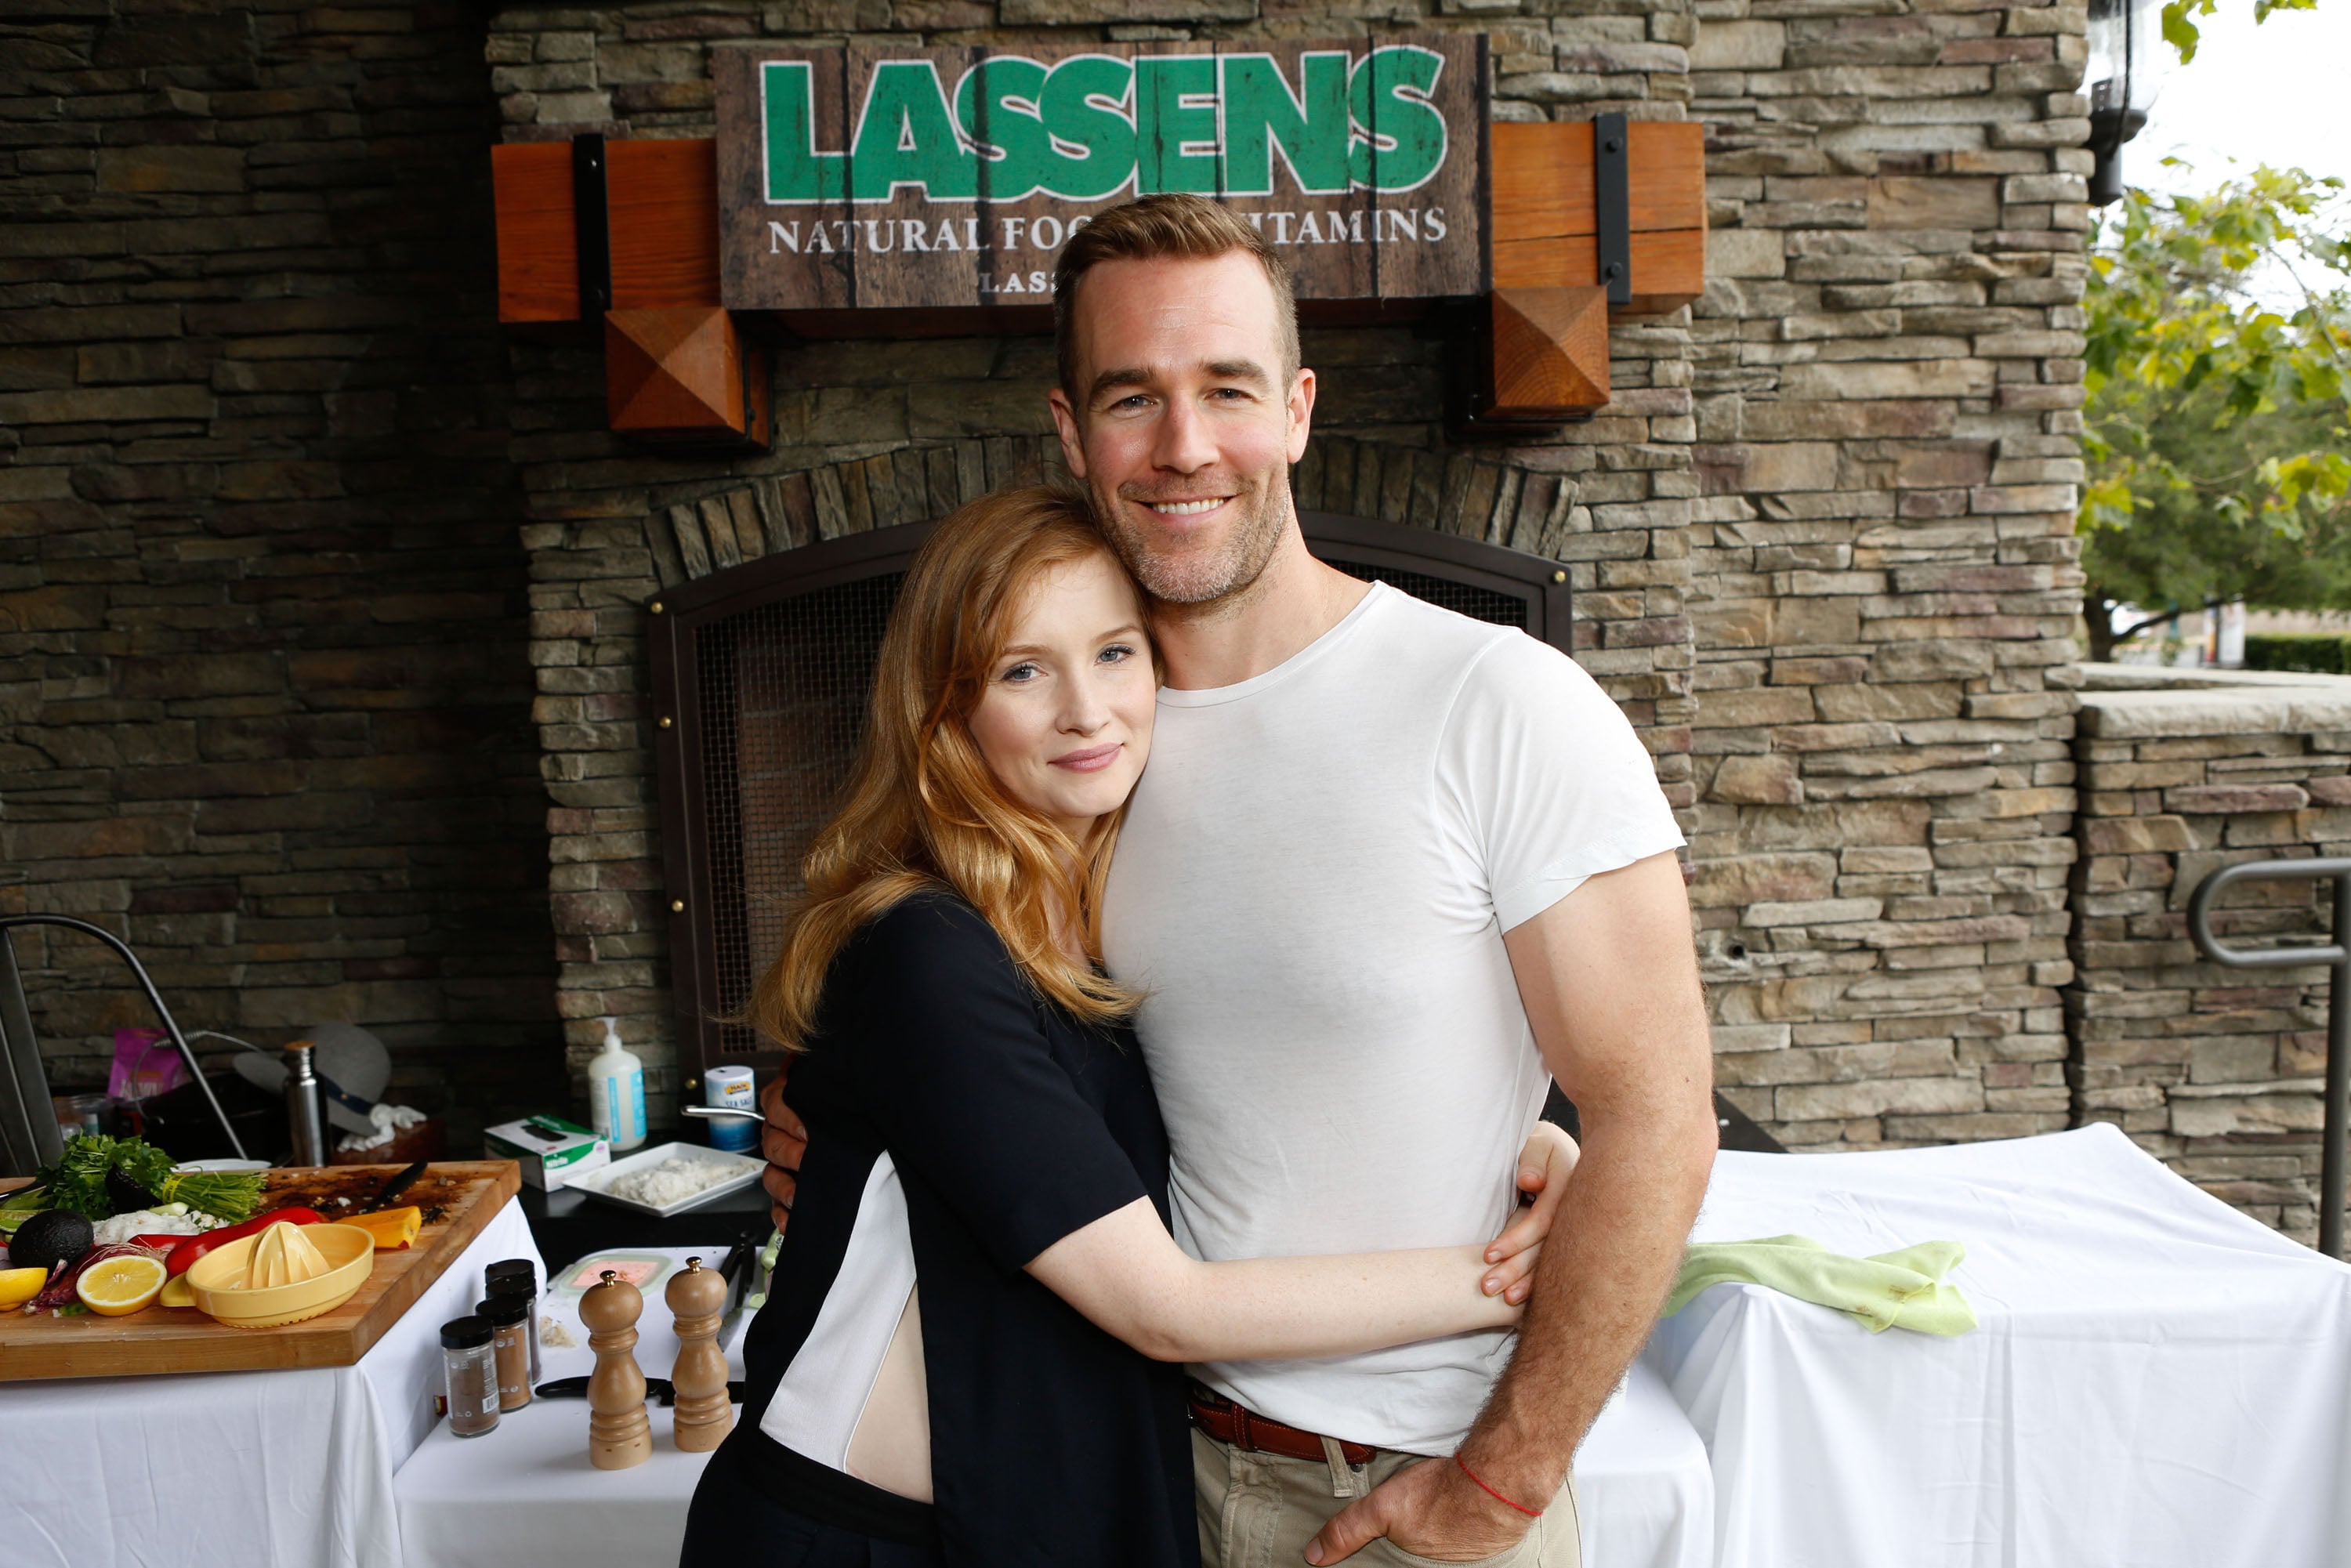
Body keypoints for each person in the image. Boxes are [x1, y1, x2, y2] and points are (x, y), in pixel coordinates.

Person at [764, 194, 1719, 1567]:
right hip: (1153, 1475)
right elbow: (982, 1017)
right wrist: (829, 1113)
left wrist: (1500, 1483)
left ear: (1299, 409)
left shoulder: (1496, 701)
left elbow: (1660, 1114)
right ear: (1072, 431)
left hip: (1419, 1491)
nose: (1184, 444)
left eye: (1227, 388)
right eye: (1132, 397)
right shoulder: (1093, 754)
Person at [682, 485, 1578, 1568]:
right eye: (1022, 670)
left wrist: (1518, 1137)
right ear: (946, 710)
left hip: (1023, 1510)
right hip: (852, 1537)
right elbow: (1164, 1306)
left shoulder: (1110, 917)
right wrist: (1531, 1271)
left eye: (1115, 653)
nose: (1087, 711)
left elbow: (1260, 1089)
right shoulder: (928, 947)